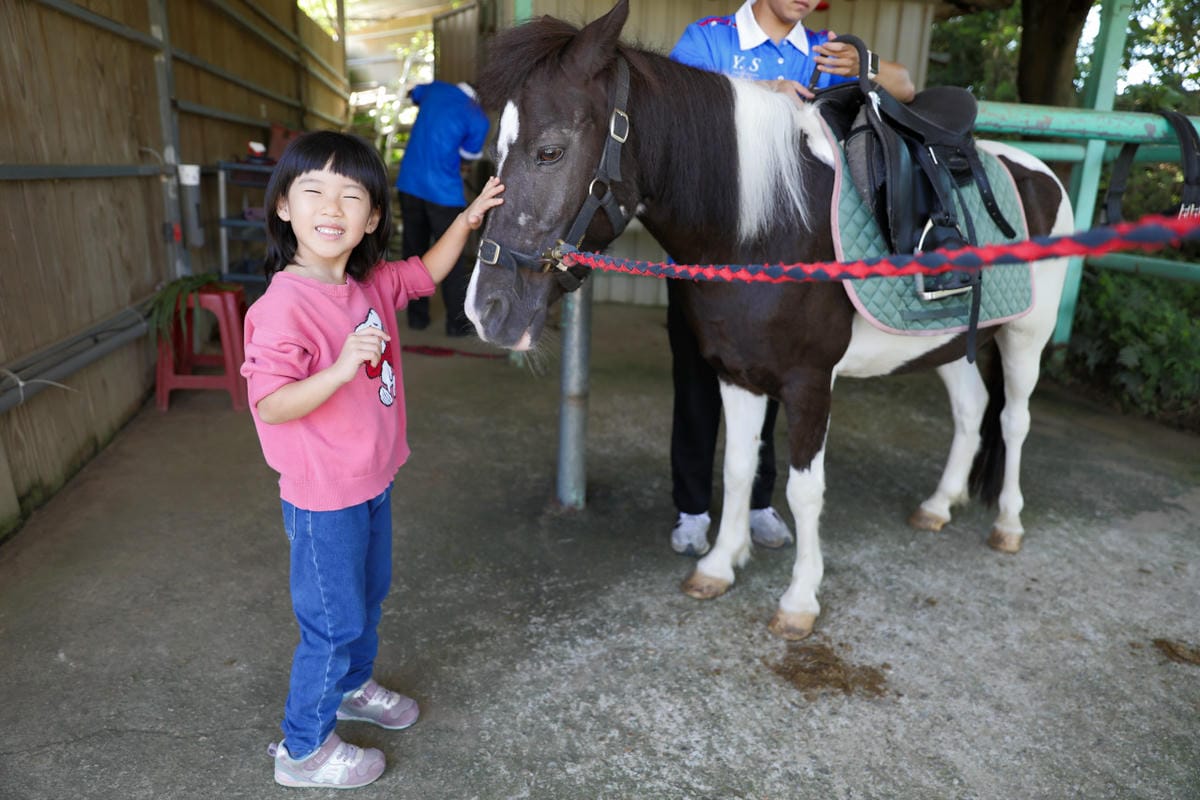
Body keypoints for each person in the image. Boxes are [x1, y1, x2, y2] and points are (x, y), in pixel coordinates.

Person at [241, 130, 503, 789]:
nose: (332, 208)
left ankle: (355, 689)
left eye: (351, 195)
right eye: (314, 192)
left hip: (372, 482)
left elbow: (425, 273)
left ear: (373, 218)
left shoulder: (370, 284)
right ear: (283, 208)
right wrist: (338, 370)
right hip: (322, 494)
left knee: (369, 598)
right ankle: (302, 750)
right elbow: (270, 404)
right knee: (331, 623)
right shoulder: (281, 307)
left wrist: (469, 220)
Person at [665, 0, 914, 557]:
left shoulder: (824, 51)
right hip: (706, 252)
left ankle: (756, 502)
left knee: (776, 380)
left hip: (780, 256)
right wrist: (762, 96)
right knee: (697, 382)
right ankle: (692, 506)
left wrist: (865, 64)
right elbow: (679, 112)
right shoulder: (708, 39)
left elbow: (908, 85)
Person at [395, 80, 491, 336]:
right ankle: (456, 325)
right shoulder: (478, 118)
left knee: (413, 251)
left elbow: (413, 93)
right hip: (443, 194)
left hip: (410, 184)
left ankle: (417, 319)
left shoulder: (434, 89)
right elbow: (468, 158)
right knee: (452, 256)